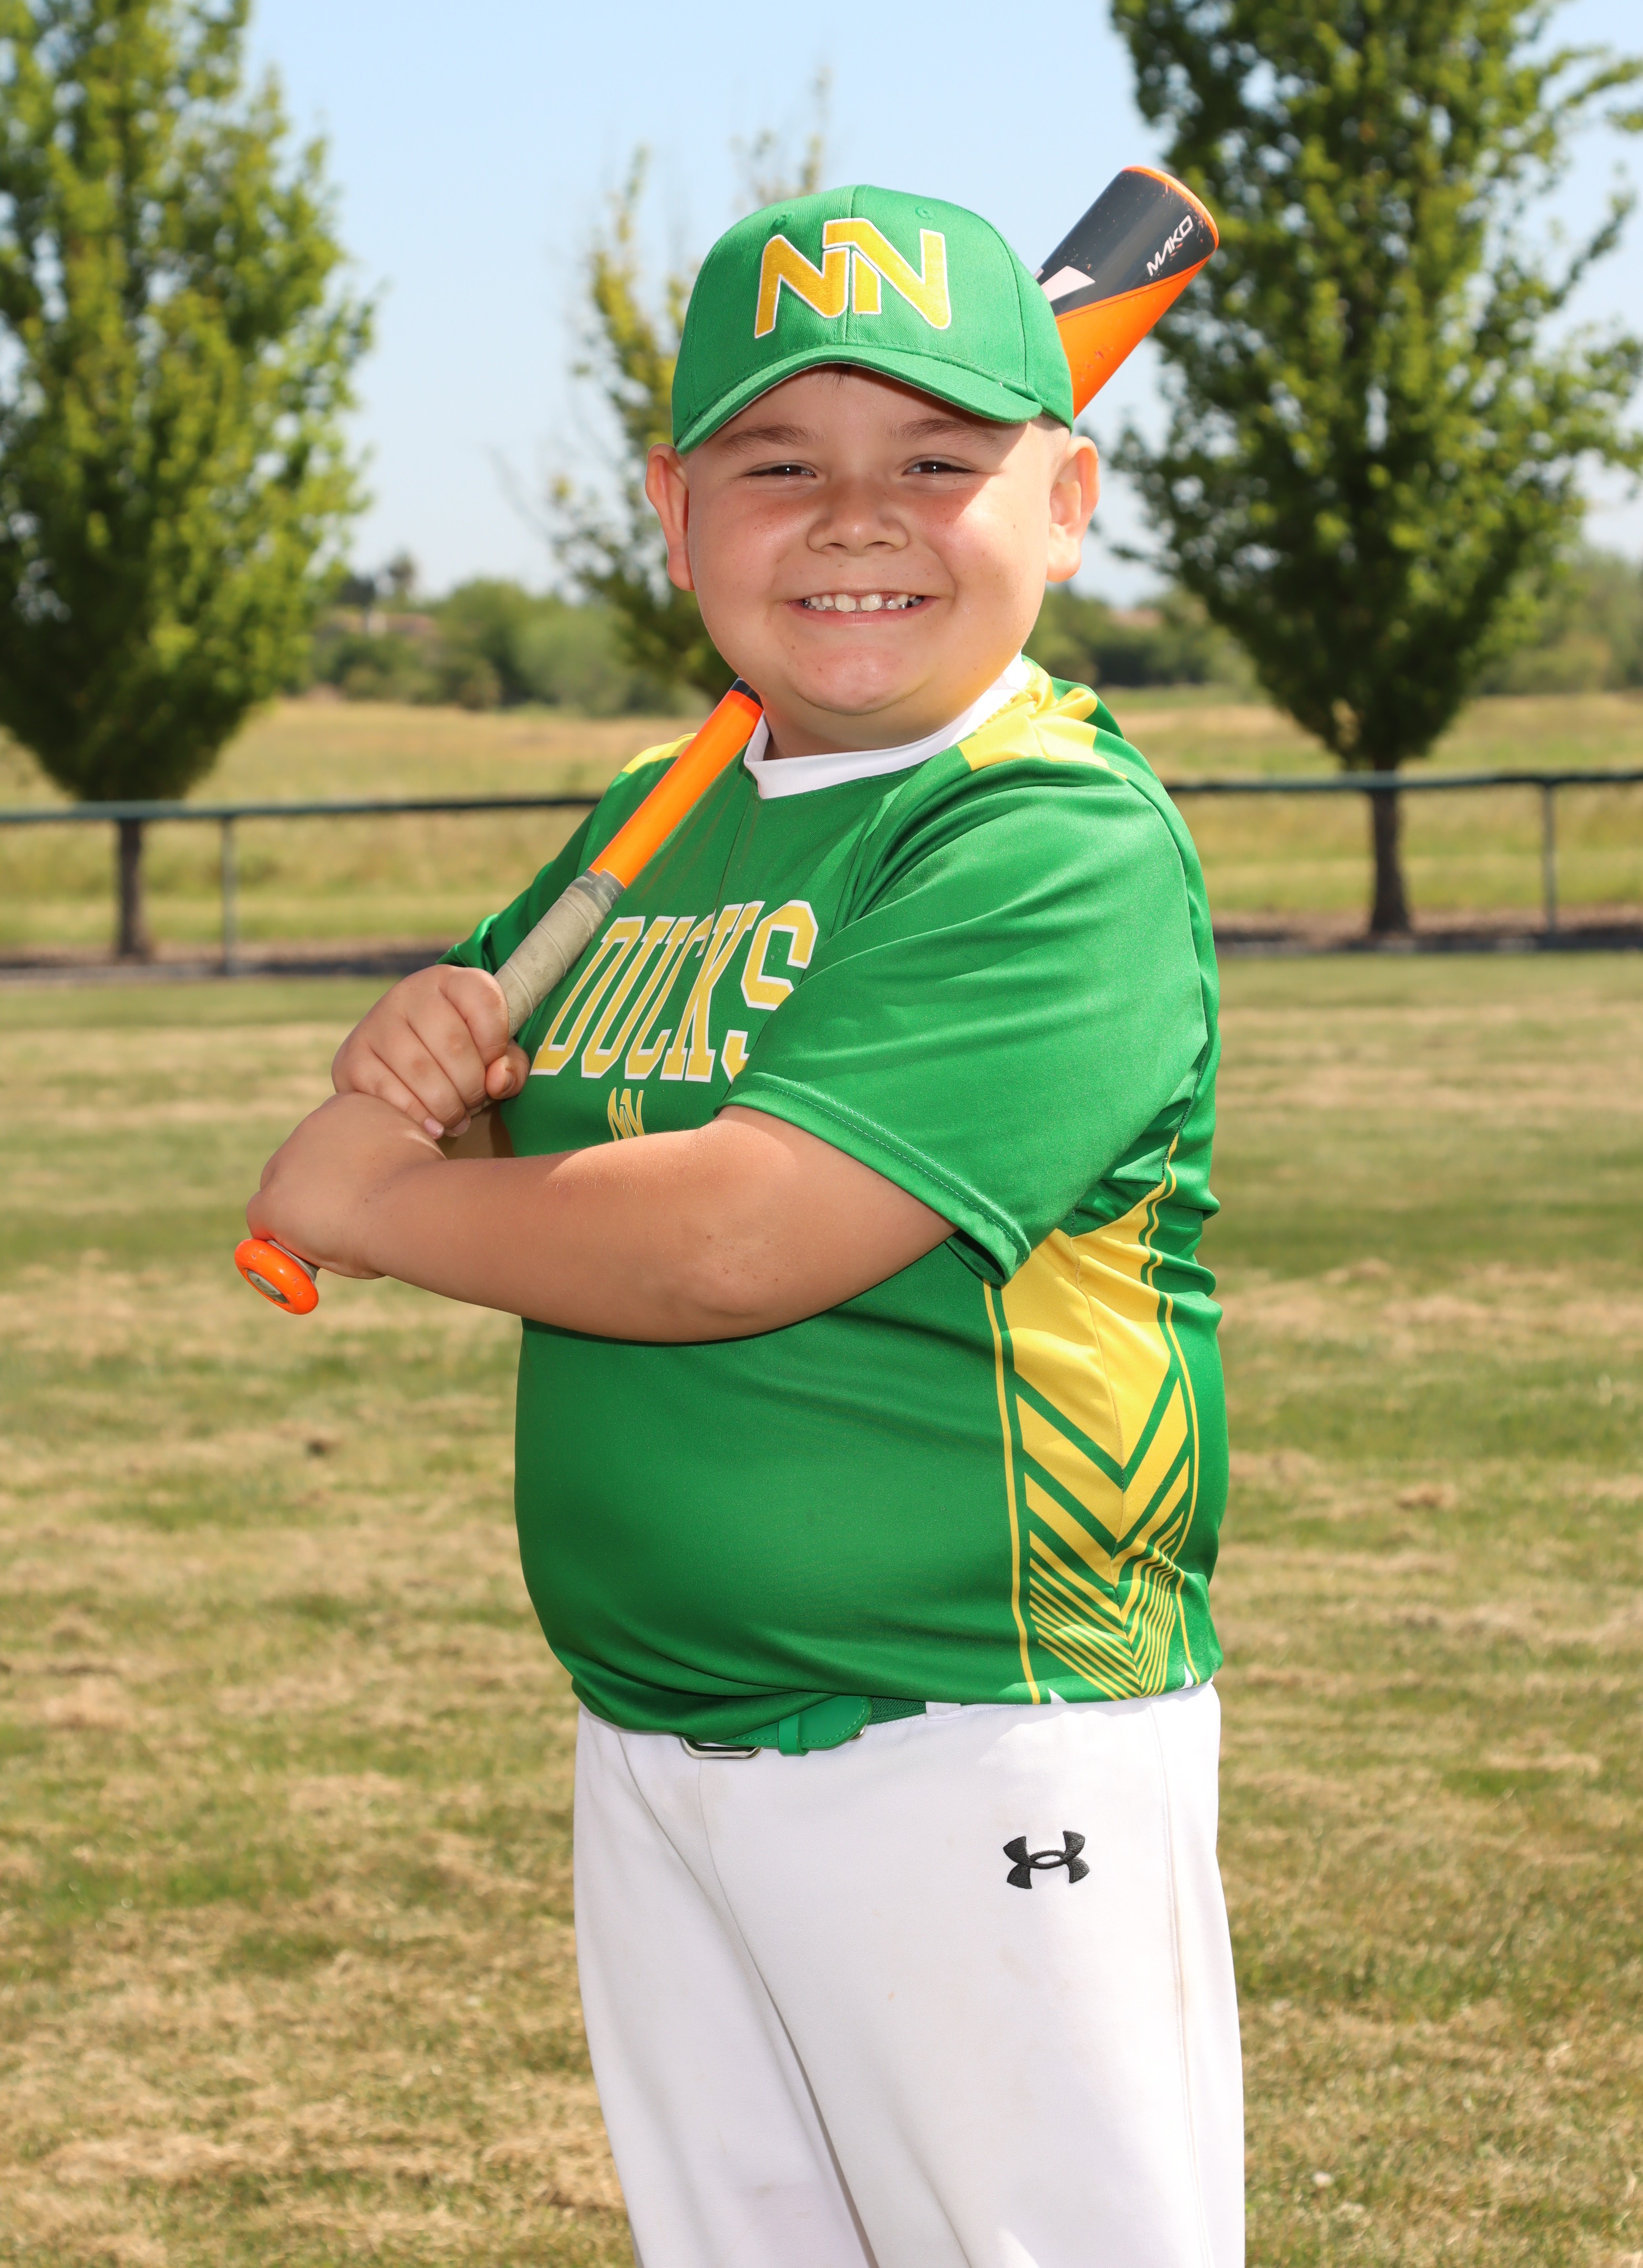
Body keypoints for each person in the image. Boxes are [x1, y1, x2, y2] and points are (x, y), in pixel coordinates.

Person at [246, 182, 1242, 2268]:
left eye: (939, 464)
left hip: (969, 1738)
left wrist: (391, 1203)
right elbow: (502, 1108)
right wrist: (425, 1068)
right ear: (673, 514)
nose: (856, 519)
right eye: (778, 466)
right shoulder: (666, 807)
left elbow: (729, 1242)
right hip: (660, 1733)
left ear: (1066, 504)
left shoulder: (1042, 837)